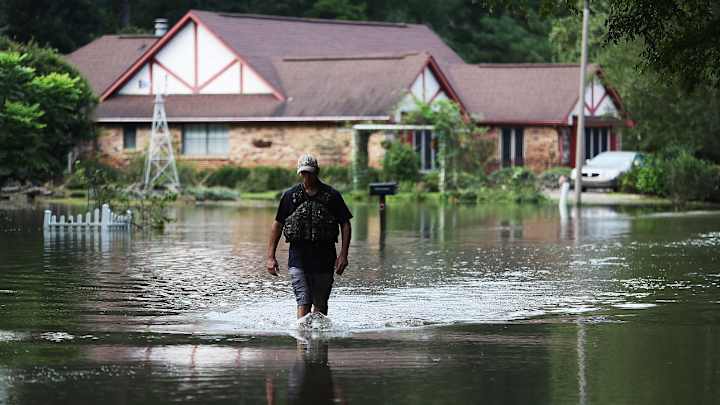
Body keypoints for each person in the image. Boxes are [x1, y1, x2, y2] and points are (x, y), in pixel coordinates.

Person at [267, 153, 352, 318]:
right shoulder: (290, 196)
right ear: (299, 173)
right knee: (303, 302)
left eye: (310, 173)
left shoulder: (332, 196)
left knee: (320, 306)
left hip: (325, 258)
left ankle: (319, 342)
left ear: (317, 171)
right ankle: (302, 341)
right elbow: (277, 225)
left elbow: (345, 224)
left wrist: (343, 254)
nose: (307, 176)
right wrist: (270, 257)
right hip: (298, 258)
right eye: (303, 173)